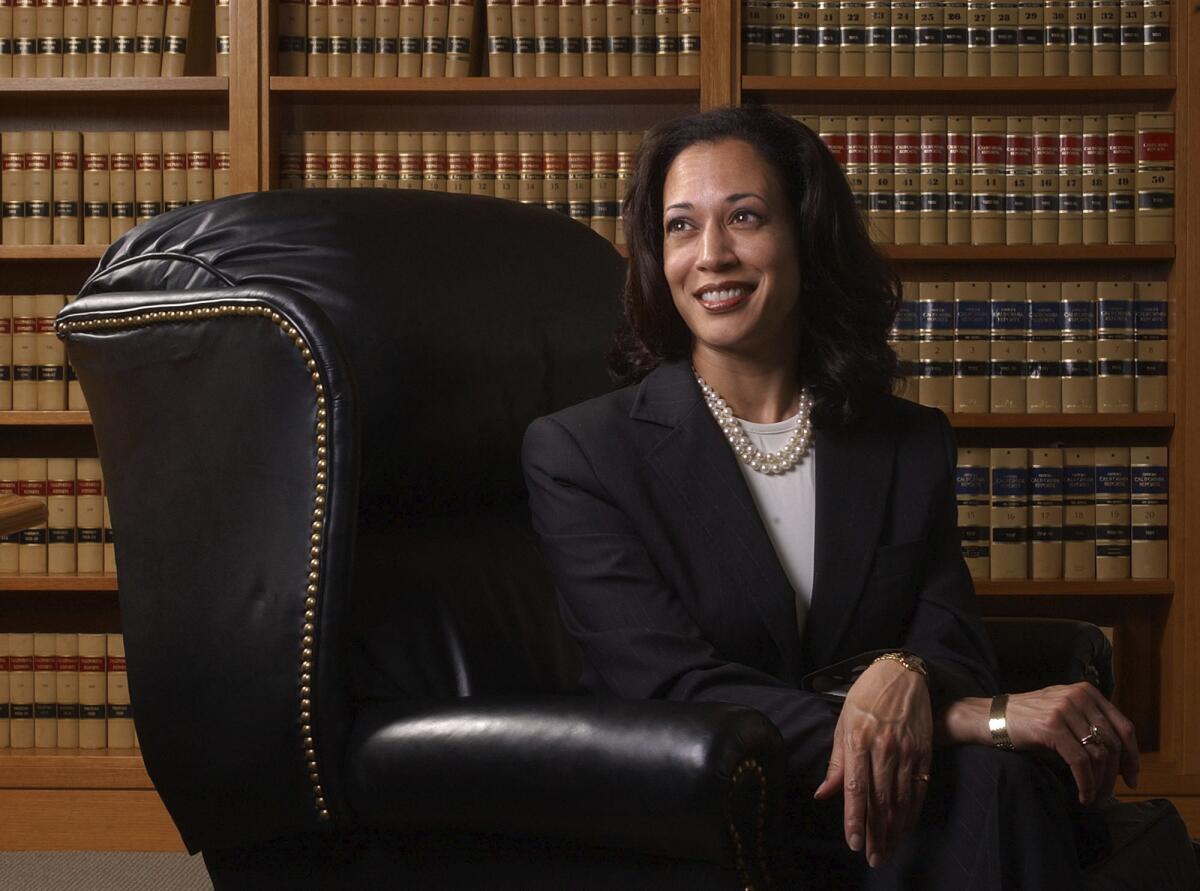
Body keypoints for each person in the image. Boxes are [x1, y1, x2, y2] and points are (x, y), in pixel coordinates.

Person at [521, 106, 1139, 889]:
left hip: (890, 810)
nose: (711, 255)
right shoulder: (581, 451)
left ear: (805, 236)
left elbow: (948, 629)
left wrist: (910, 671)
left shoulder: (905, 440)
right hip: (706, 805)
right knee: (992, 783)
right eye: (681, 227)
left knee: (1000, 787)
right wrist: (954, 718)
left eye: (744, 217)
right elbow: (665, 681)